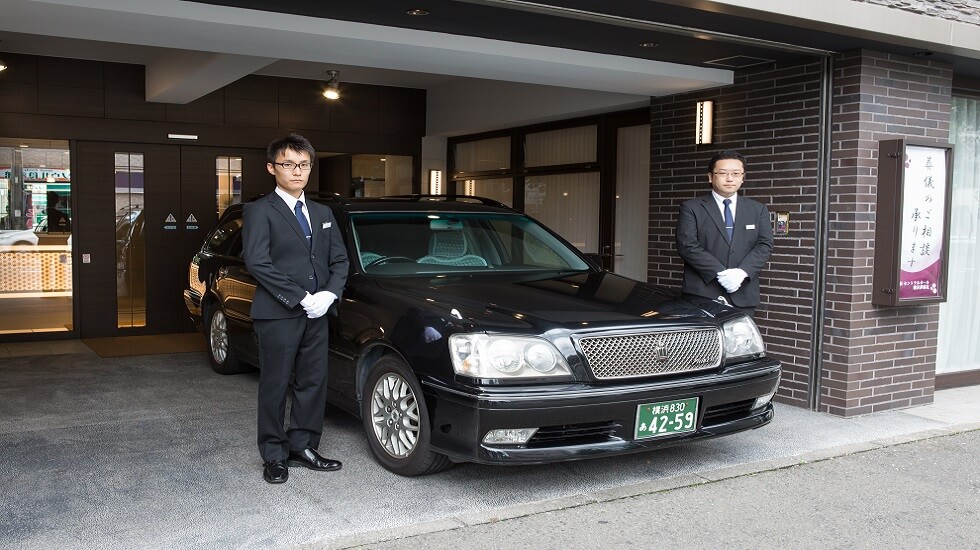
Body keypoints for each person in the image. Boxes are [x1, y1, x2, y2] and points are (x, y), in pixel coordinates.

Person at [242, 133, 350, 484]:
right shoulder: (259, 211)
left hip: (318, 313)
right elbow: (258, 263)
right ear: (272, 168)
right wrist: (303, 297)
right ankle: (274, 454)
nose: (298, 172)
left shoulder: (322, 212)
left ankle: (303, 445)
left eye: (304, 165)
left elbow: (340, 260)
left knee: (313, 381)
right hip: (279, 313)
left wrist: (329, 296)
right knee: (274, 384)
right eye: (289, 164)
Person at [675, 150, 773, 317]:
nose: (730, 178)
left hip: (743, 293)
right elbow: (687, 246)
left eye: (736, 173)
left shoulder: (758, 209)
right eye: (723, 173)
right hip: (702, 293)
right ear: (710, 176)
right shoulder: (692, 208)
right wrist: (720, 273)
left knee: (742, 342)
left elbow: (764, 245)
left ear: (743, 177)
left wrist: (741, 273)